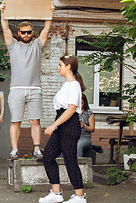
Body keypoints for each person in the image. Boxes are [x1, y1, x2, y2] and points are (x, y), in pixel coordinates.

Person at [0, 1, 55, 160]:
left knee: (34, 121)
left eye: (29, 32)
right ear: (19, 33)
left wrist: (50, 12)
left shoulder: (38, 45)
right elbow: (5, 28)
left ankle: (37, 150)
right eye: (23, 32)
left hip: (34, 89)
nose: (26, 35)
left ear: (32, 33)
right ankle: (14, 150)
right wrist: (2, 12)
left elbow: (46, 29)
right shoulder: (13, 45)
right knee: (15, 121)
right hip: (16, 89)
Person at [39, 55, 88, 203]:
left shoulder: (74, 85)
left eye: (60, 65)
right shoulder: (67, 85)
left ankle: (79, 196)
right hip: (61, 123)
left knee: (70, 160)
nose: (58, 67)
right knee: (48, 156)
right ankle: (56, 193)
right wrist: (56, 125)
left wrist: (54, 125)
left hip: (69, 124)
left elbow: (72, 109)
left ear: (68, 67)